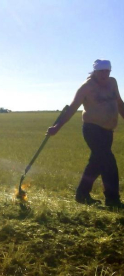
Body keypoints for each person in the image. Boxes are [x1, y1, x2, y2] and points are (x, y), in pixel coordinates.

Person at [47, 59, 124, 208]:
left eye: (107, 71)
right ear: (95, 71)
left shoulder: (113, 82)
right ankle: (112, 199)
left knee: (96, 164)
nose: (104, 74)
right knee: (109, 164)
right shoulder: (86, 87)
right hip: (92, 130)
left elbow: (120, 103)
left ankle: (82, 194)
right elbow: (72, 108)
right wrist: (57, 127)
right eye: (101, 71)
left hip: (108, 131)